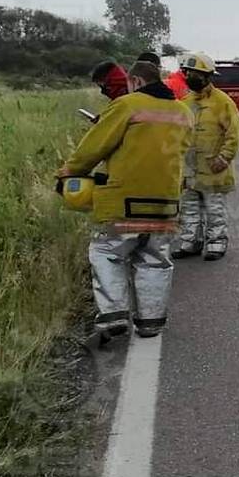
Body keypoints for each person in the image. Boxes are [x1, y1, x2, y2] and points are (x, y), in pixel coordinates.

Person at [59, 59, 192, 338]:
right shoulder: (183, 112)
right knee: (155, 260)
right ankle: (151, 322)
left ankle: (113, 316)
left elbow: (95, 145)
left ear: (138, 82)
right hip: (166, 204)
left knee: (107, 254)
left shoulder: (127, 105)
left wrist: (70, 171)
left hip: (123, 204)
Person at [173, 53, 239, 261]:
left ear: (206, 76)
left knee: (214, 209)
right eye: (187, 72)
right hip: (189, 168)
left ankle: (216, 243)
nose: (189, 76)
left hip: (214, 167)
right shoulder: (185, 102)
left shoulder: (223, 102)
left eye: (194, 73)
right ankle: (190, 242)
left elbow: (235, 134)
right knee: (189, 208)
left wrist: (223, 158)